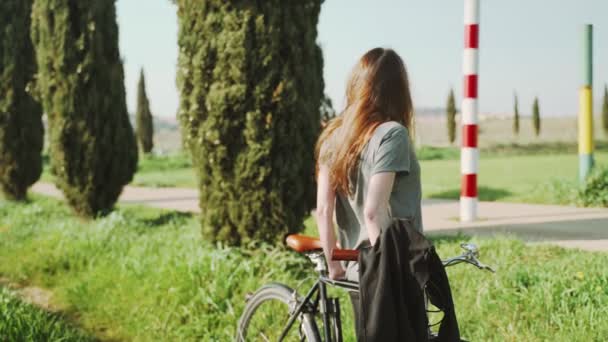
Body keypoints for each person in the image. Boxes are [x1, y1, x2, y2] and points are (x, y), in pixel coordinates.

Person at [314, 47, 423, 324]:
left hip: (355, 269)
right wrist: (390, 275)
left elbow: (324, 210)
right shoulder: (393, 134)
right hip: (388, 270)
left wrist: (334, 265)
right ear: (400, 91)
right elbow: (373, 212)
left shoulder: (334, 136)